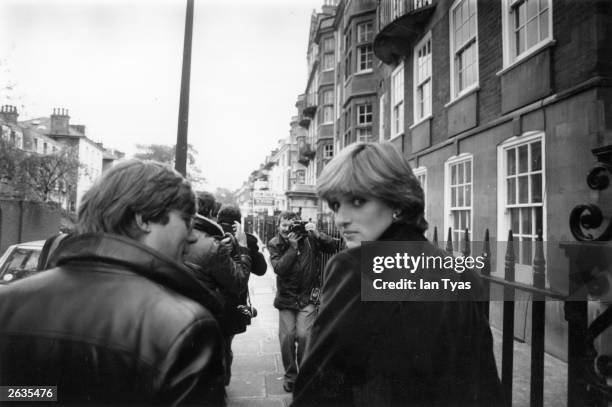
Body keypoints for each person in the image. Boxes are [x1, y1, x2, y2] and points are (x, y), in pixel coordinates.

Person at [292, 142, 503, 406]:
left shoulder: (355, 267)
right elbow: (485, 389)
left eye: (358, 201)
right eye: (336, 205)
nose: (341, 219)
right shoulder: (464, 275)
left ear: (397, 202)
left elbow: (315, 390)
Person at [0, 160, 226, 406]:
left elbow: (13, 394)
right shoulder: (186, 325)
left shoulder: (7, 303)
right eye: (187, 220)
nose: (192, 236)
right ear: (143, 219)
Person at [268, 211, 338, 393]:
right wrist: (291, 248)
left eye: (291, 225)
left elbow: (332, 247)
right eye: (284, 225)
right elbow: (280, 269)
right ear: (278, 225)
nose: (287, 229)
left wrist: (316, 233)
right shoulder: (275, 243)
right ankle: (291, 376)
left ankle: (304, 375)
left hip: (307, 297)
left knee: (305, 336)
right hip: (286, 299)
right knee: (287, 338)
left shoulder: (309, 239)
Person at [184, 213, 252, 386]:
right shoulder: (213, 247)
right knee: (220, 352)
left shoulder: (179, 240)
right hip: (214, 313)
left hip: (186, 314)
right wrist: (243, 247)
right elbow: (238, 282)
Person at [217, 204, 267, 276]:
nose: (227, 232)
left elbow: (261, 270)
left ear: (238, 227)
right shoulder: (212, 240)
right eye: (223, 226)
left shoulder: (247, 240)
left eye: (230, 227)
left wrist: (243, 246)